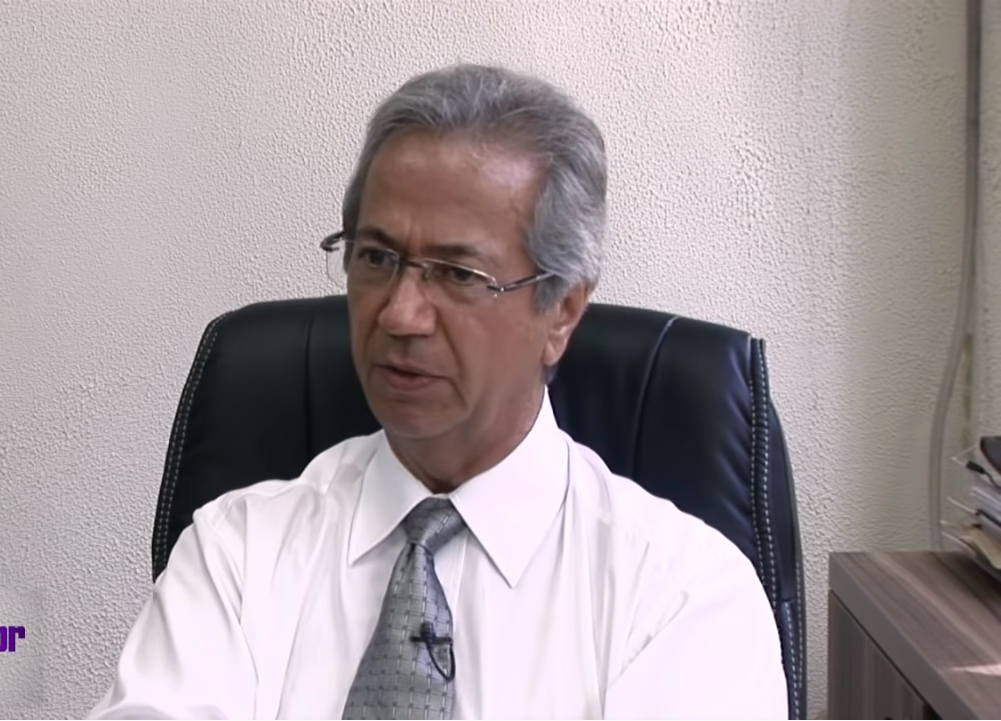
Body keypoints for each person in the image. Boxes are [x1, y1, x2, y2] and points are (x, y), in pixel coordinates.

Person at [90, 64, 787, 720]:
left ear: (562, 311)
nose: (399, 315)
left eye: (458, 275)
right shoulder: (237, 555)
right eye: (376, 258)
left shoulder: (679, 594)